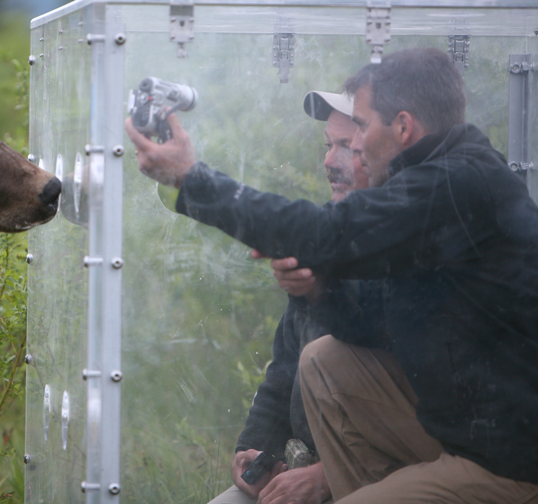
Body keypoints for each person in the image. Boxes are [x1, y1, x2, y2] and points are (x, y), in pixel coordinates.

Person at [125, 48, 538, 503]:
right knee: (324, 360)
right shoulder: (433, 184)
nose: (354, 146)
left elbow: (326, 233)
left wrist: (191, 177)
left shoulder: (455, 185)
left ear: (403, 127)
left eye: (359, 128)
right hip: (465, 430)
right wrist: (321, 290)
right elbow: (372, 329)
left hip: (509, 459)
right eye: (335, 141)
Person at [208, 91, 368, 504]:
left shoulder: (414, 251)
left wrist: (326, 478)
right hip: (300, 466)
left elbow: (418, 422)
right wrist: (255, 451)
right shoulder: (325, 238)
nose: (330, 161)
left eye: (347, 147)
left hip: (370, 475)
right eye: (328, 145)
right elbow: (284, 371)